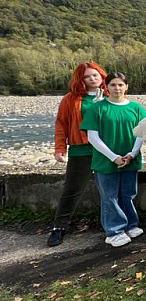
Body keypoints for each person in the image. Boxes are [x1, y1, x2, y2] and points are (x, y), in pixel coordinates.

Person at [80, 72, 146, 248]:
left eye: (120, 85)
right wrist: (113, 157)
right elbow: (93, 137)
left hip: (130, 159)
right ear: (106, 87)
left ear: (126, 86)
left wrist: (132, 154)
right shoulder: (97, 108)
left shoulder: (136, 108)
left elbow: (141, 133)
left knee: (128, 194)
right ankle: (114, 231)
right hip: (106, 161)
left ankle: (130, 225)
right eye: (113, 85)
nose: (117, 88)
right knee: (109, 196)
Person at [48, 62, 107, 246]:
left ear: (102, 76)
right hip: (81, 149)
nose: (92, 79)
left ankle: (110, 224)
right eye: (87, 76)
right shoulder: (71, 99)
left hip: (106, 149)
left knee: (109, 189)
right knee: (72, 190)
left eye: (95, 75)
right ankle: (59, 227)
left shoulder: (110, 95)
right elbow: (61, 124)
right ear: (80, 79)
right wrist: (60, 148)